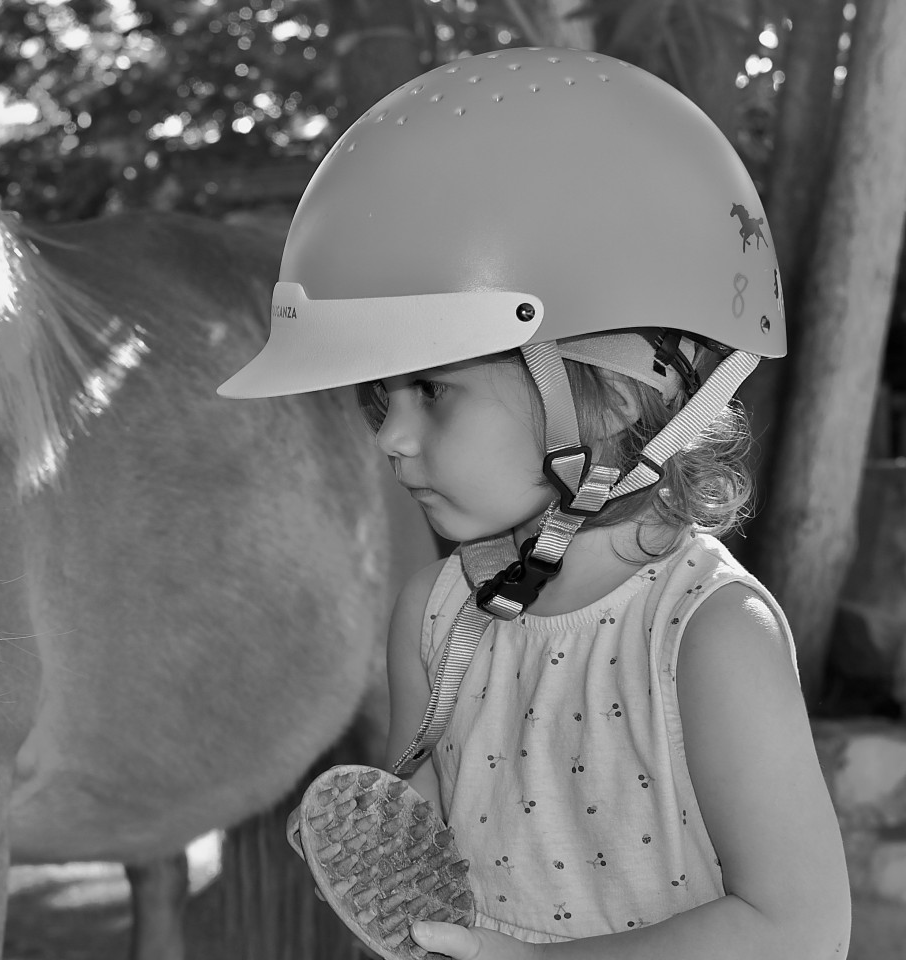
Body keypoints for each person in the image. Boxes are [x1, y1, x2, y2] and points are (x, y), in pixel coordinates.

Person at [218, 47, 850, 960]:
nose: (389, 437)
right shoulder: (436, 616)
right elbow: (429, 877)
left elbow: (801, 929)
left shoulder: (707, 634)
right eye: (378, 398)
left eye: (432, 391)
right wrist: (374, 862)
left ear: (612, 394)